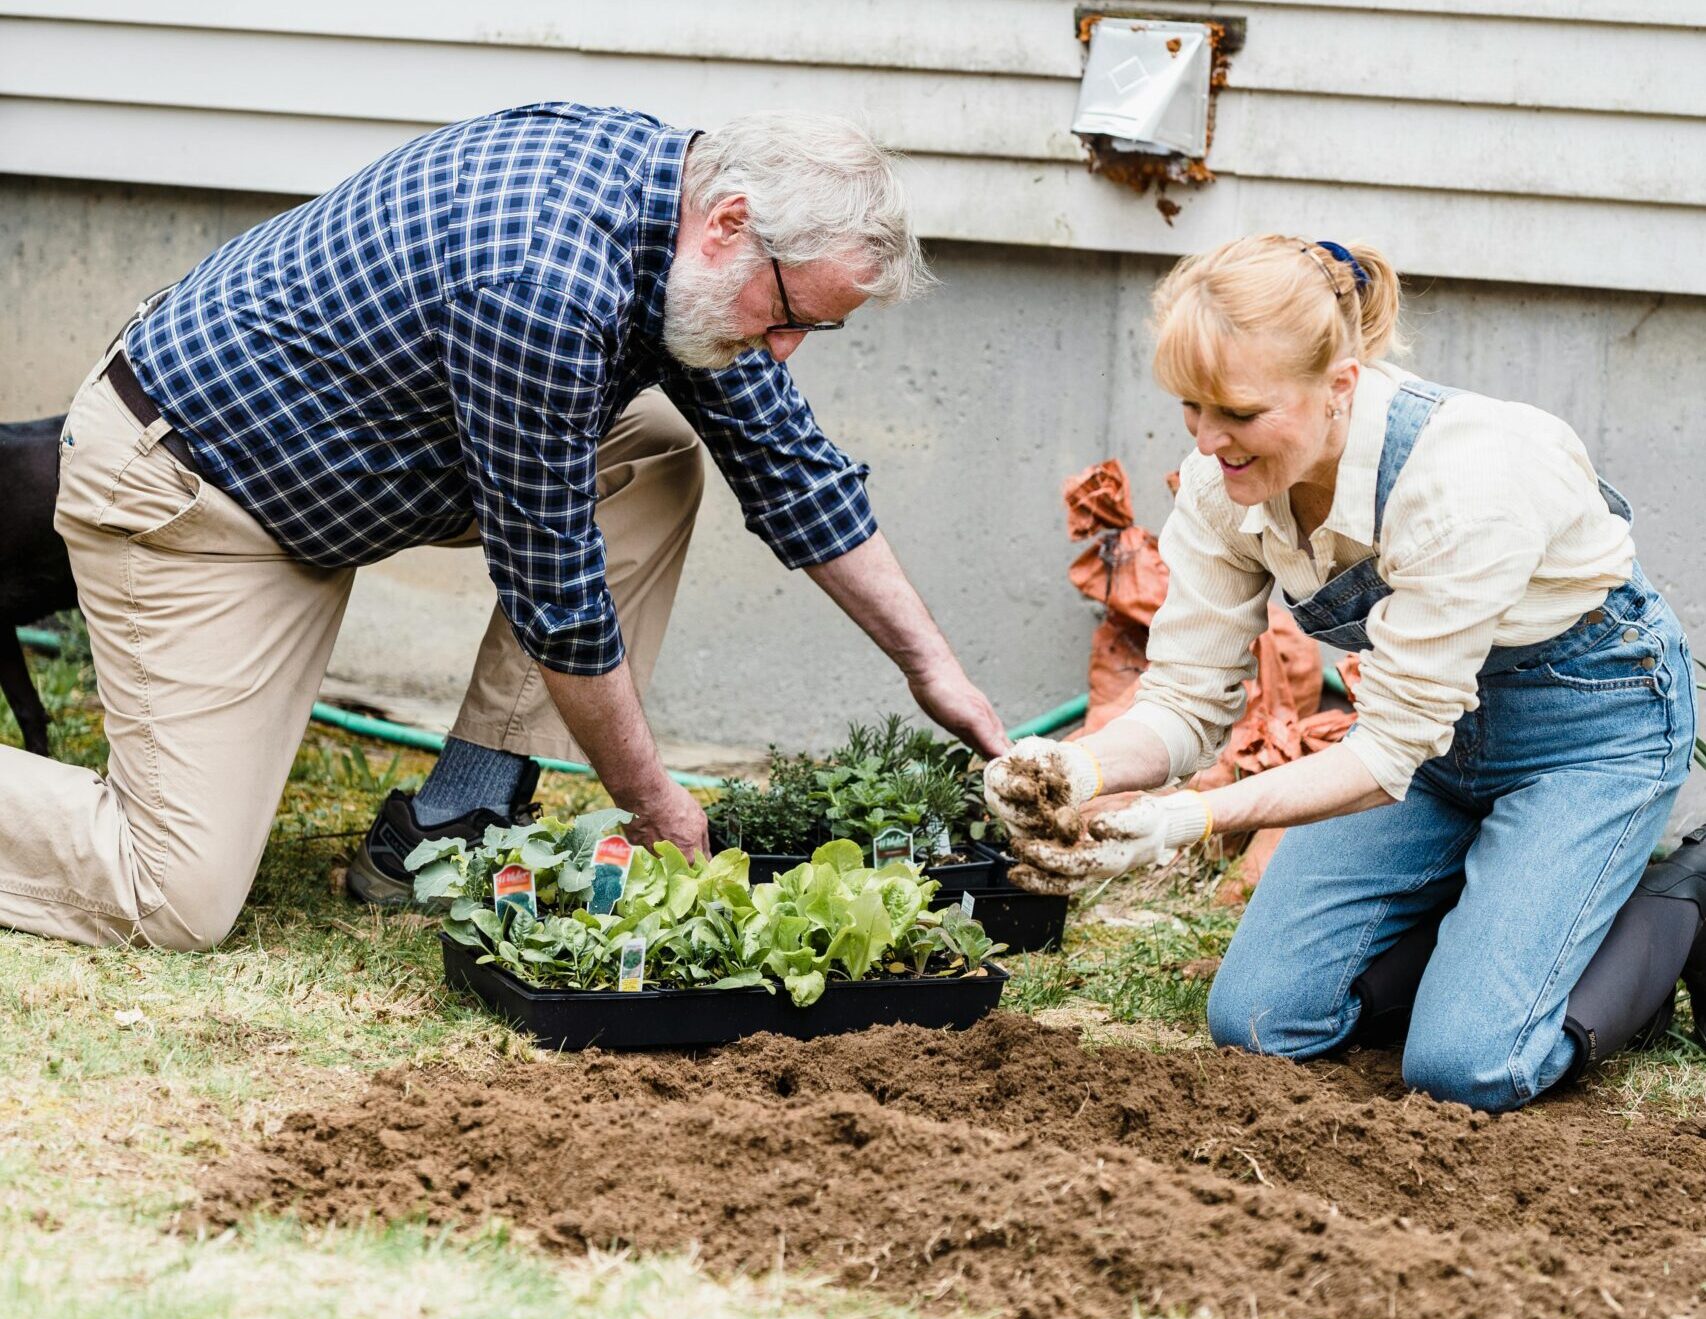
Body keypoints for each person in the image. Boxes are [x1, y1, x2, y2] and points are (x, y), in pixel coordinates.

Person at [0, 102, 1007, 949]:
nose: (783, 350)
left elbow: (789, 466)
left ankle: (456, 813)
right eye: (790, 315)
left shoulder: (678, 214)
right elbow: (557, 595)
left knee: (654, 450)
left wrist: (933, 673)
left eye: (810, 330)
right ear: (733, 223)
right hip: (198, 492)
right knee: (171, 896)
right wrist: (652, 804)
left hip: (338, 469)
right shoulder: (544, 283)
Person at [986, 234, 1697, 1112]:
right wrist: (1077, 767)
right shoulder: (1224, 487)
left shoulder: (1465, 481)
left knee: (1467, 1066)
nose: (1209, 443)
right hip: (1435, 747)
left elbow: (1383, 754)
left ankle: (1669, 903)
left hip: (1588, 736)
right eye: (1190, 408)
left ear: (1340, 388)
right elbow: (1182, 699)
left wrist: (1189, 817)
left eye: (1238, 413)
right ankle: (1495, 921)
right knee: (1257, 1020)